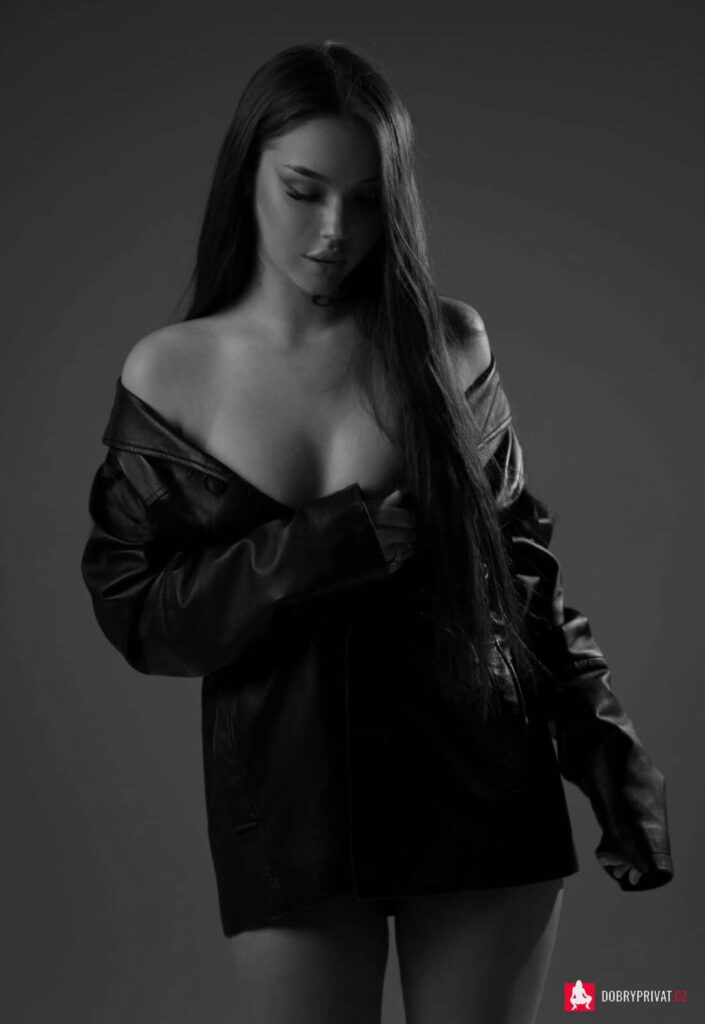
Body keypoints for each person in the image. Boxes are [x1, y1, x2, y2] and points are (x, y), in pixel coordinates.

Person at [80, 40, 674, 1024]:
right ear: (246, 176)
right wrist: (313, 550)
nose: (334, 230)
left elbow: (521, 577)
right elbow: (140, 616)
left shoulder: (450, 343)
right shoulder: (171, 374)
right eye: (302, 191)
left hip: (485, 787)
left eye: (365, 200)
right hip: (290, 811)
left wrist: (604, 744)